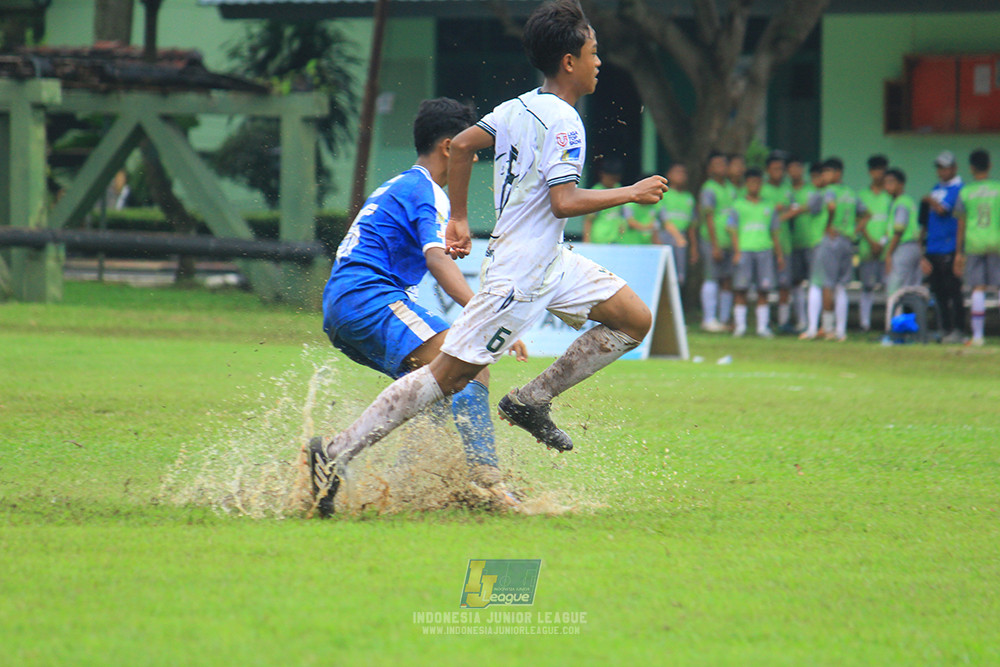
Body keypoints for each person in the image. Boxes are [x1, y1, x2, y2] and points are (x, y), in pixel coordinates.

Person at [308, 0, 668, 515]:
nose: (598, 62)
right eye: (593, 52)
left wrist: (457, 215)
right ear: (569, 60)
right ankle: (337, 453)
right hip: (520, 273)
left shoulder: (517, 107)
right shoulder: (566, 121)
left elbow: (459, 146)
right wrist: (629, 192)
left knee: (633, 318)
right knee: (449, 378)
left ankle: (531, 401)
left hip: (552, 261)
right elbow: (562, 201)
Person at [319, 98, 526, 512]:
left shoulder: (402, 184)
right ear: (450, 147)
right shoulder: (428, 191)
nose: (473, 163)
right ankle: (488, 486)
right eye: (471, 151)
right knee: (470, 365)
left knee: (437, 384)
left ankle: (408, 486)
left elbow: (430, 252)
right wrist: (487, 315)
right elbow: (436, 260)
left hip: (344, 303)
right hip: (369, 297)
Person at [800, 157, 865, 342]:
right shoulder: (851, 193)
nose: (825, 176)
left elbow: (830, 206)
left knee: (820, 283)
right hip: (846, 240)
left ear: (837, 173)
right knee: (840, 286)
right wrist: (854, 231)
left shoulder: (827, 191)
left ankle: (821, 329)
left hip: (829, 241)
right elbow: (866, 214)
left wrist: (828, 225)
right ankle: (841, 331)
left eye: (828, 172)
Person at [728, 168, 783, 337]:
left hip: (764, 250)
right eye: (751, 182)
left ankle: (762, 327)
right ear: (746, 184)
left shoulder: (768, 206)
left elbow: (774, 231)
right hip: (745, 250)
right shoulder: (737, 205)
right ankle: (740, 326)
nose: (755, 186)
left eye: (758, 183)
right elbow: (732, 229)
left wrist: (779, 254)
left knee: (763, 290)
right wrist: (736, 251)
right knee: (740, 288)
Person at [954, 149, 1000, 347]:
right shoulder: (998, 189)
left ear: (971, 168)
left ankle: (978, 336)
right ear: (990, 165)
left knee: (977, 289)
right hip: (996, 242)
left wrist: (958, 252)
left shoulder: (965, 192)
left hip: (974, 243)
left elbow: (961, 224)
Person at [923, 150, 966, 343]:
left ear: (954, 168)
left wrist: (929, 200)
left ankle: (958, 329)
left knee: (953, 291)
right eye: (939, 167)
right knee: (938, 292)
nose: (941, 171)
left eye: (945, 167)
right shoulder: (936, 187)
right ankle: (945, 329)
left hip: (949, 246)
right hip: (934, 246)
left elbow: (942, 210)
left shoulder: (958, 189)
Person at [696, 151, 734, 332]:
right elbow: (708, 217)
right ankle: (709, 319)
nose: (721, 167)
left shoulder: (730, 188)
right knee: (711, 277)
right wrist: (715, 244)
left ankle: (724, 319)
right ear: (710, 168)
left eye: (723, 163)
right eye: (717, 164)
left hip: (729, 241)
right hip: (713, 241)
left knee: (727, 279)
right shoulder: (709, 188)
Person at [855, 155, 892, 332]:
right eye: (876, 170)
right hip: (867, 248)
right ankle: (865, 323)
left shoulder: (890, 197)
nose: (879, 174)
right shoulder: (862, 195)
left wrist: (882, 242)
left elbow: (892, 224)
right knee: (867, 287)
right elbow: (860, 223)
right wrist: (871, 242)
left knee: (888, 287)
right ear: (870, 172)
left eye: (882, 170)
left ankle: (889, 323)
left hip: (887, 251)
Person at [788, 160, 825, 331]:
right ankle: (801, 320)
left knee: (815, 282)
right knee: (795, 282)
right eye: (791, 168)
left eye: (798, 167)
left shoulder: (812, 191)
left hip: (811, 243)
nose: (795, 171)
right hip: (791, 243)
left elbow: (812, 208)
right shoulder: (785, 191)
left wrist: (793, 211)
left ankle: (816, 322)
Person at [761, 152, 793, 332]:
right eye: (775, 169)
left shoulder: (788, 190)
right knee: (764, 286)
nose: (778, 172)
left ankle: (783, 323)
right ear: (767, 170)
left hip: (785, 243)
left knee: (784, 285)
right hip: (765, 244)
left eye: (781, 169)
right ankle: (763, 324)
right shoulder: (761, 190)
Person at [655, 162, 695, 287]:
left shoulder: (689, 198)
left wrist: (694, 247)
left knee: (679, 276)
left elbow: (691, 225)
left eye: (684, 173)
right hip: (666, 237)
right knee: (663, 273)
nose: (681, 176)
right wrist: (677, 237)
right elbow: (664, 220)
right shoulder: (664, 194)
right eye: (677, 172)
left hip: (682, 239)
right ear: (669, 175)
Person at [883, 167, 922, 297]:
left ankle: (895, 317)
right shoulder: (909, 201)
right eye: (886, 182)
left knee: (895, 291)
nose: (887, 186)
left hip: (902, 247)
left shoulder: (901, 203)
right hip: (913, 247)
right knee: (911, 289)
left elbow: (899, 230)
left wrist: (888, 254)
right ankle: (910, 317)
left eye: (891, 182)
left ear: (901, 184)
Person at [582, 157, 627, 243]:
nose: (613, 181)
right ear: (602, 174)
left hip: (616, 240)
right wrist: (586, 240)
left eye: (615, 178)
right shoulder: (595, 192)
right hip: (599, 239)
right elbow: (588, 219)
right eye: (611, 178)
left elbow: (621, 213)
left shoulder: (619, 189)